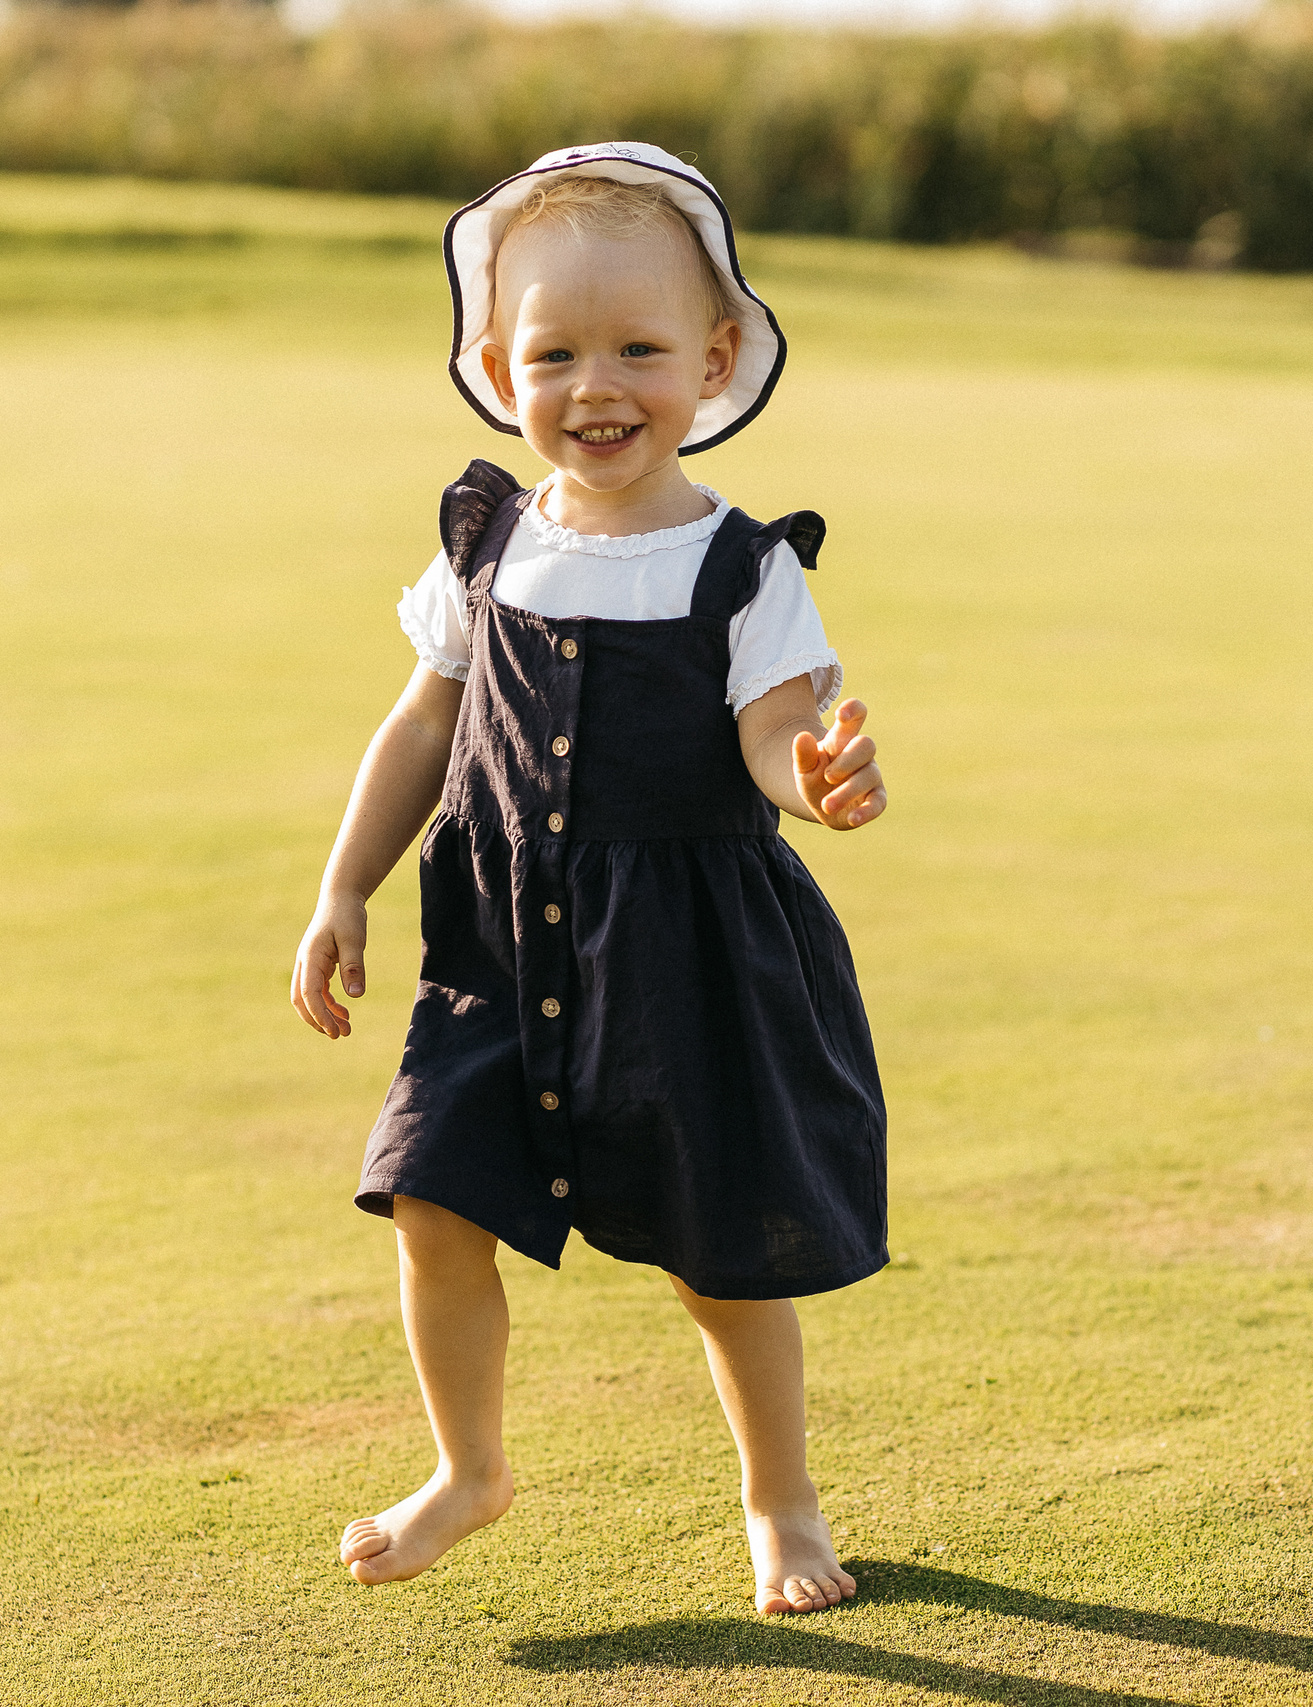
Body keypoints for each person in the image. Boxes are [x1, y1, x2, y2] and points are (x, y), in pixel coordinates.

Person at [288, 141, 890, 1617]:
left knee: (723, 1259)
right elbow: (425, 718)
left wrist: (811, 777)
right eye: (556, 351)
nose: (597, 385)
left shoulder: (744, 567)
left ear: (718, 357)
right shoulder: (488, 542)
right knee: (427, 1196)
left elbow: (772, 731)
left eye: (640, 348)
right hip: (495, 950)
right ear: (497, 365)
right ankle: (469, 1470)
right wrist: (343, 886)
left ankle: (782, 1500)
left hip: (686, 955)